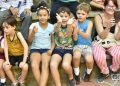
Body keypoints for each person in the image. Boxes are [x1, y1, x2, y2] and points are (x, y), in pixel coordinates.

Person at [92, 0, 120, 83]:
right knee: (99, 56)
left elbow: (117, 38)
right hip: (100, 41)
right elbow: (102, 36)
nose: (111, 8)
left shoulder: (117, 17)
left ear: (116, 7)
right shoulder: (98, 17)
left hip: (113, 41)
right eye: (109, 6)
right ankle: (105, 72)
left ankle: (114, 69)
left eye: (113, 6)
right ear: (104, 6)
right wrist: (108, 27)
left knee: (119, 54)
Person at [28, 4, 55, 86]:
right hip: (35, 49)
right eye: (40, 15)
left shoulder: (51, 27)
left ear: (48, 16)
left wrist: (51, 49)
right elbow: (29, 41)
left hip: (47, 49)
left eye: (44, 15)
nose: (42, 17)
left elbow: (53, 41)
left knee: (45, 65)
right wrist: (33, 32)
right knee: (33, 65)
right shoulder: (33, 25)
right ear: (37, 16)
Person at [50, 6, 76, 86]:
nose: (64, 18)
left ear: (69, 17)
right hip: (58, 48)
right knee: (53, 64)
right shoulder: (55, 25)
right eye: (61, 16)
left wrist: (69, 25)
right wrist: (59, 23)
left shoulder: (72, 25)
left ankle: (71, 78)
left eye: (66, 16)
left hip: (68, 49)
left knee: (65, 65)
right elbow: (59, 34)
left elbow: (68, 35)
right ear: (58, 17)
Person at [2, 16, 29, 86]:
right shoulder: (6, 35)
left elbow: (26, 46)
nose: (5, 30)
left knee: (25, 66)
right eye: (3, 28)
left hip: (21, 55)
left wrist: (23, 61)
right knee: (5, 66)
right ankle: (14, 81)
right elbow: (6, 47)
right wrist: (7, 60)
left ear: (13, 27)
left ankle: (21, 80)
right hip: (12, 55)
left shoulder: (18, 34)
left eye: (7, 27)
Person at [72, 2, 94, 85]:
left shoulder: (89, 23)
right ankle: (77, 74)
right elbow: (75, 38)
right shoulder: (75, 23)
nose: (80, 15)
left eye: (83, 14)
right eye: (78, 13)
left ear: (87, 15)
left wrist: (78, 31)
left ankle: (88, 73)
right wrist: (74, 29)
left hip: (87, 45)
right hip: (77, 45)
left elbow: (87, 36)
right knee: (76, 56)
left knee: (89, 59)